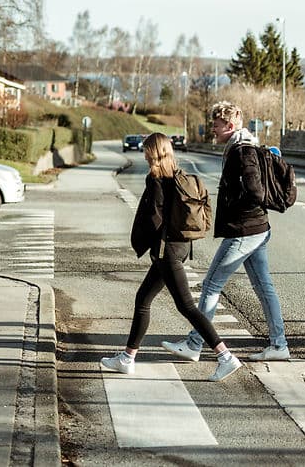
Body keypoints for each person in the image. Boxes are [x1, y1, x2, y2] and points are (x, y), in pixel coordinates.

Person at [100, 132, 243, 381]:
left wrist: (145, 242)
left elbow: (154, 219)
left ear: (153, 152)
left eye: (146, 150)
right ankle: (127, 358)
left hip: (167, 252)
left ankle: (225, 356)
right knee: (143, 298)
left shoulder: (156, 179)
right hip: (180, 247)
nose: (143, 154)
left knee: (186, 306)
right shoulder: (177, 175)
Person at [161, 101, 290, 362]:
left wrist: (234, 207)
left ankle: (195, 343)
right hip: (257, 228)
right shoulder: (244, 146)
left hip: (243, 230)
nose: (213, 131)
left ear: (230, 126)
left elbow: (255, 191)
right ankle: (279, 345)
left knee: (210, 286)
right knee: (264, 288)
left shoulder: (241, 152)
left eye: (217, 126)